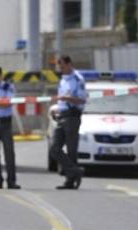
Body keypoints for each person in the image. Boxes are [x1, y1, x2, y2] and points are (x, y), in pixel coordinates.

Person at [50, 55, 87, 190]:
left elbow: (82, 100)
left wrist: (68, 99)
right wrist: (57, 109)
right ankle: (76, 171)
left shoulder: (78, 79)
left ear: (70, 64)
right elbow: (61, 99)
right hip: (62, 116)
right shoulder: (63, 80)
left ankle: (70, 181)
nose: (61, 69)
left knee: (72, 150)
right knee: (54, 148)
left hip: (72, 116)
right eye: (60, 67)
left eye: (63, 66)